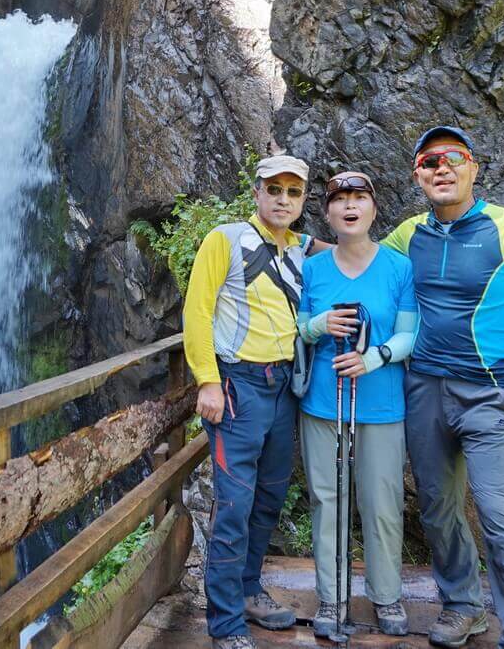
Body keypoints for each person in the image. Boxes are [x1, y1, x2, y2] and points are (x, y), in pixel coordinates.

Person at [381, 126, 504, 649]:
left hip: (492, 396)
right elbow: (357, 255)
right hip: (424, 390)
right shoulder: (408, 234)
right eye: (429, 161)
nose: (442, 168)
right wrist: (294, 241)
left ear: (473, 167)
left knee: (500, 513)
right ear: (418, 175)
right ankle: (462, 606)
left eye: (453, 158)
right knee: (437, 507)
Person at [183, 154, 320, 649]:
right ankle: (224, 622)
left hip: (284, 389)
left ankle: (246, 587)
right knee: (235, 502)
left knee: (268, 498)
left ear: (302, 200)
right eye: (274, 189)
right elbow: (197, 312)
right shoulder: (225, 239)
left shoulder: (300, 250)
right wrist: (208, 381)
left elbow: (355, 251)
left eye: (293, 192)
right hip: (238, 387)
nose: (283, 199)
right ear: (257, 192)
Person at [296, 171, 417, 640]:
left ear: (373, 209)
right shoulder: (313, 271)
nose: (349, 206)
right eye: (339, 199)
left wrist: (374, 357)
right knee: (328, 501)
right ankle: (332, 596)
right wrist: (321, 324)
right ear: (327, 213)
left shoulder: (398, 268)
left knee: (382, 502)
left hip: (382, 402)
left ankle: (386, 596)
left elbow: (410, 333)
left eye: (359, 198)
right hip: (324, 402)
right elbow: (300, 328)